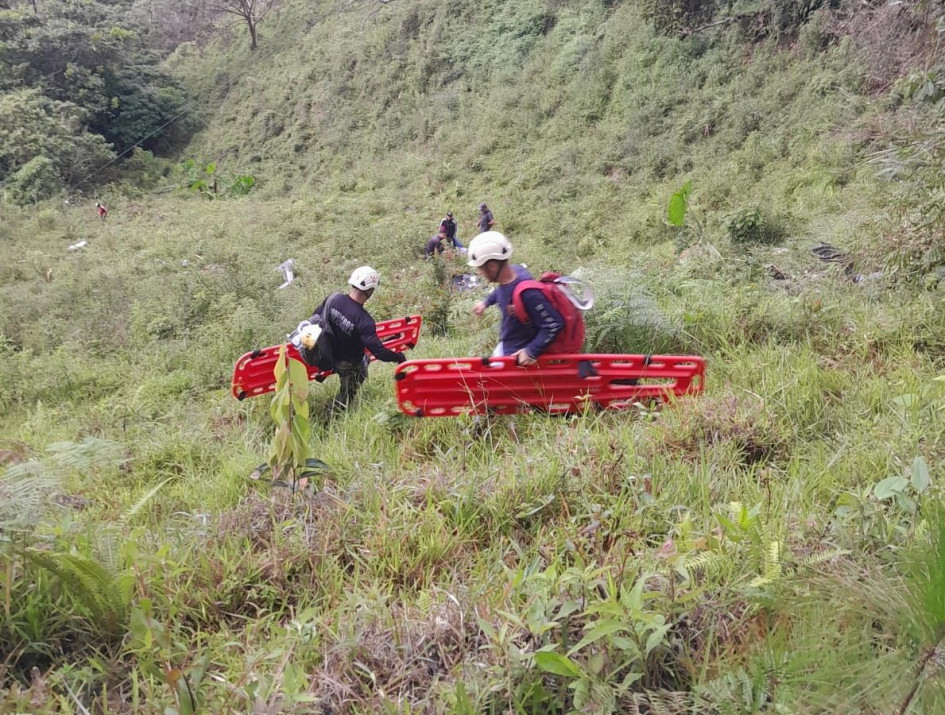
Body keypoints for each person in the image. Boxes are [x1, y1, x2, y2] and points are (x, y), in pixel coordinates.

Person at [308, 266, 406, 411]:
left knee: (365, 359)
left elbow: (316, 316)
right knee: (357, 378)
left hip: (328, 352)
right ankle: (331, 412)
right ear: (370, 291)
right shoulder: (364, 320)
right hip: (348, 364)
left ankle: (330, 370)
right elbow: (379, 352)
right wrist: (398, 357)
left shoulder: (333, 298)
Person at [468, 231, 563, 366]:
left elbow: (553, 324)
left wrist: (531, 351)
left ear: (492, 266)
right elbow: (501, 290)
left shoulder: (528, 293)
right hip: (505, 347)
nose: (479, 272)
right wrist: (486, 302)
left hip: (516, 360)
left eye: (480, 268)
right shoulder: (512, 273)